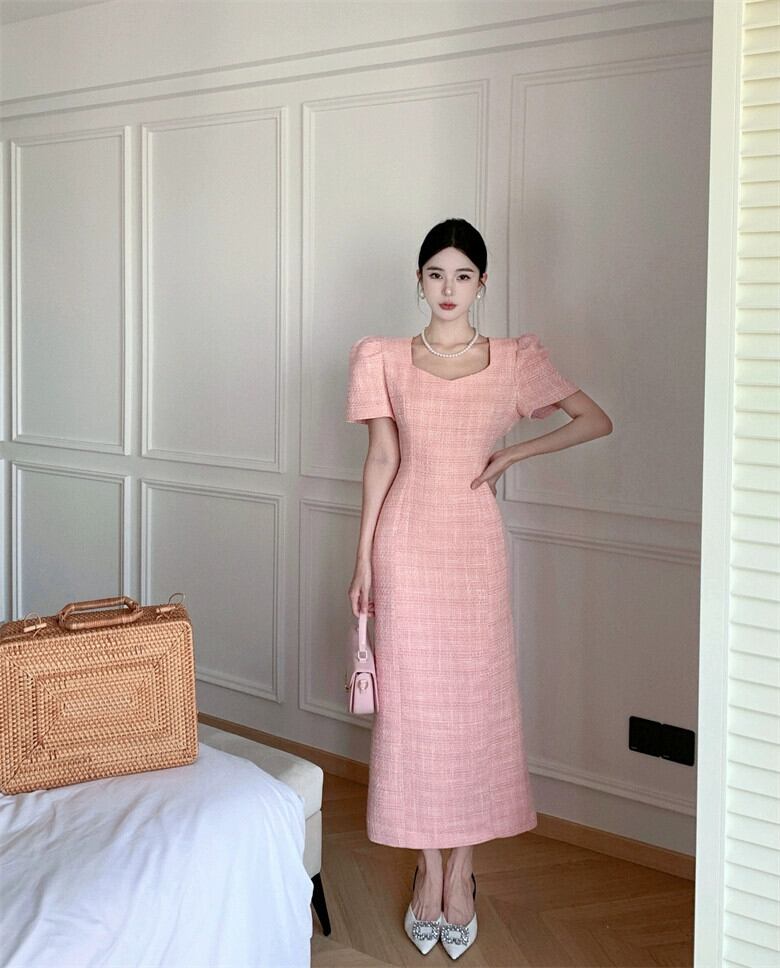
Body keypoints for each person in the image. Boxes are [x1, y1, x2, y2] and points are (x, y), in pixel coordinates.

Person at [345, 218, 612, 960]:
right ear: (419, 279)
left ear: (483, 283)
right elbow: (380, 460)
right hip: (404, 542)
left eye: (463, 275)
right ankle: (426, 869)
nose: (448, 288)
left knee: (473, 705)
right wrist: (362, 560)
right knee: (413, 710)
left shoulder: (515, 362)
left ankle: (462, 869)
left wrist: (511, 455)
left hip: (474, 549)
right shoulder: (384, 357)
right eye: (436, 273)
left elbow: (593, 420)